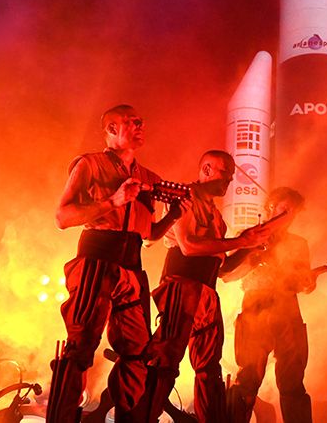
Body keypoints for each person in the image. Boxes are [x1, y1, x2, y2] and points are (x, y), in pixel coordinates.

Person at [47, 105, 186, 423]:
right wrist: (114, 201)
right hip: (97, 259)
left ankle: (129, 418)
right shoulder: (89, 164)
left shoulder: (149, 177)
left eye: (142, 121)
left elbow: (149, 236)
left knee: (138, 352)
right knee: (81, 346)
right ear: (111, 129)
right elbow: (62, 217)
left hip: (132, 264)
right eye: (131, 121)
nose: (140, 125)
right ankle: (62, 418)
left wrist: (175, 215)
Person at [134, 150, 286, 423]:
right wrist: (241, 242)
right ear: (205, 169)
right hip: (181, 287)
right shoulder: (185, 198)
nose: (229, 179)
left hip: (206, 293)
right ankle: (141, 418)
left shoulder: (217, 216)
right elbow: (189, 247)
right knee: (165, 362)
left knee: (208, 368)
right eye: (224, 171)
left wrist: (252, 248)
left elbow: (224, 269)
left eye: (230, 174)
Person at [221, 187, 327, 423]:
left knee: (293, 381)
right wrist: (255, 255)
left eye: (291, 213)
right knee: (249, 377)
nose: (285, 216)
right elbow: (227, 275)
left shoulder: (298, 243)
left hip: (288, 308)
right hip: (256, 303)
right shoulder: (249, 235)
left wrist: (309, 282)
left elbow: (302, 284)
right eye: (282, 209)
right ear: (269, 207)